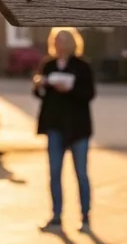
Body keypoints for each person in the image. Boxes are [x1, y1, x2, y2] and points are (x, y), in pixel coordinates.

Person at [33, 27, 96, 231]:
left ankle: (85, 216)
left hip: (77, 127)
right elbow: (40, 93)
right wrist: (40, 85)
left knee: (81, 173)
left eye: (64, 41)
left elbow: (89, 93)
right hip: (55, 125)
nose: (60, 45)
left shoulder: (82, 66)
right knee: (54, 172)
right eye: (57, 41)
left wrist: (70, 89)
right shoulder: (48, 64)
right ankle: (56, 215)